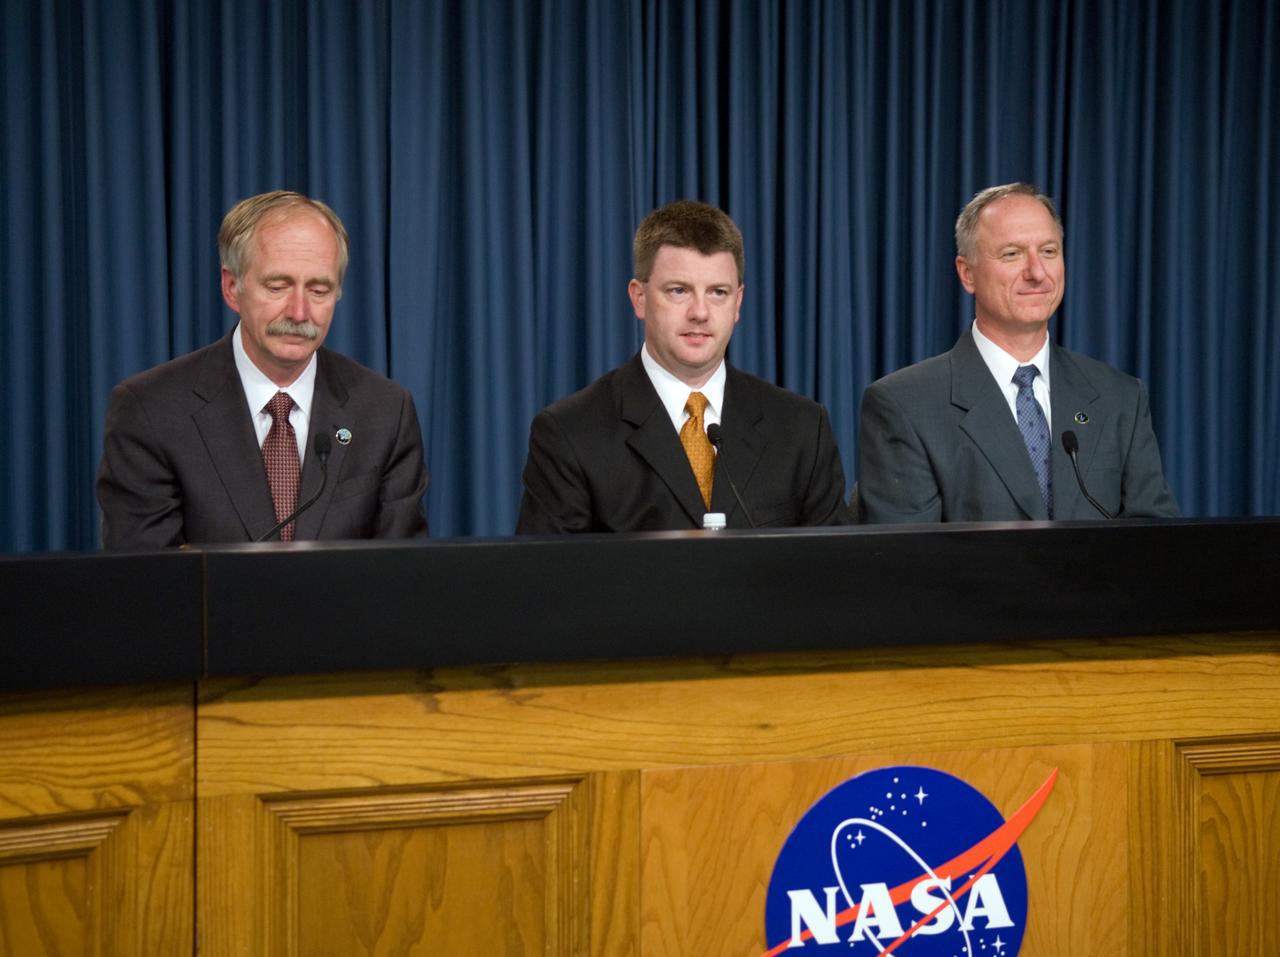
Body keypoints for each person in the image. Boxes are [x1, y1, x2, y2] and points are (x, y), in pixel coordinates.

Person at [97, 190, 429, 546]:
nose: (299, 312)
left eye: (318, 290)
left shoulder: (385, 412)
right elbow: (147, 573)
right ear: (231, 287)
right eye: (277, 286)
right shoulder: (152, 411)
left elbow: (402, 570)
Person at [517, 199, 850, 532]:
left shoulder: (802, 428)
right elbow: (550, 566)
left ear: (738, 303)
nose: (700, 312)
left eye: (718, 292)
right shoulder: (570, 433)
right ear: (639, 298)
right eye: (679, 291)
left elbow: (833, 563)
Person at [857, 182, 1178, 523]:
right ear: (967, 274)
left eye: (1049, 251)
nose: (1037, 272)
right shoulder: (905, 405)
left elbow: (1157, 540)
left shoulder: (1121, 398)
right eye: (1012, 254)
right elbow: (907, 554)